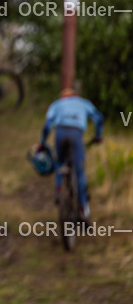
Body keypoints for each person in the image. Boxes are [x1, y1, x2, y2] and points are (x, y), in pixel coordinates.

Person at [37, 87, 104, 220]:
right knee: (79, 171)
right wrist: (98, 135)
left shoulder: (56, 104)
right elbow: (98, 118)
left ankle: (58, 190)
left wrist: (42, 143)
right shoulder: (83, 103)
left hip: (60, 133)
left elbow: (48, 125)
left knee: (59, 163)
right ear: (76, 96)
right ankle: (83, 208)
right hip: (76, 134)